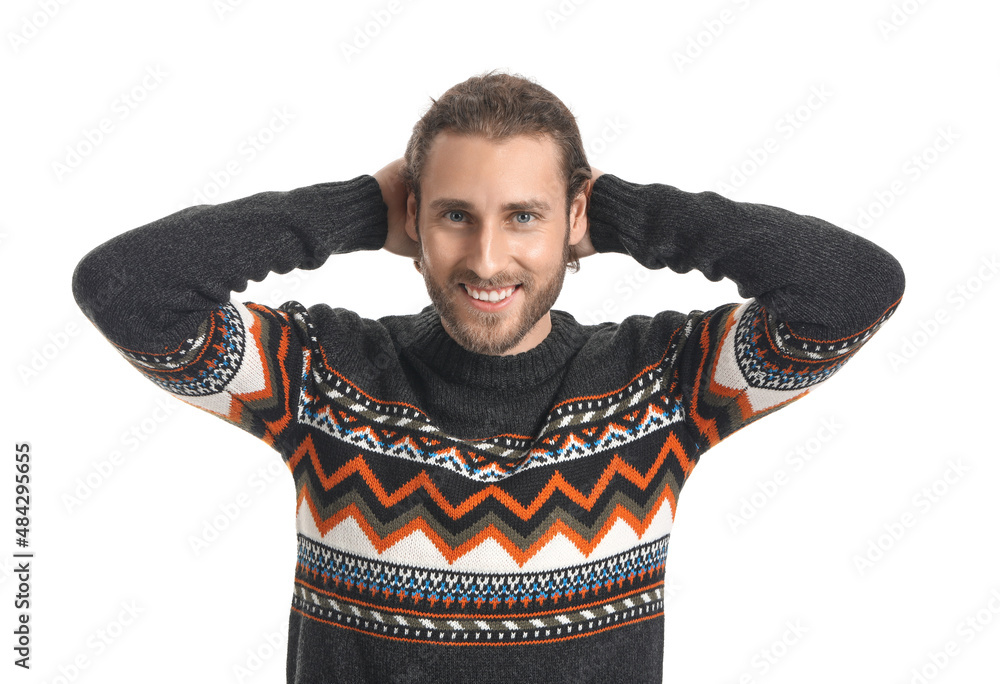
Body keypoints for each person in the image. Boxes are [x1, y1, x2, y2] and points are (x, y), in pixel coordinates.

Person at [72, 70, 905, 684]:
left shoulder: (664, 387)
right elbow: (126, 288)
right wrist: (359, 205)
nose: (487, 259)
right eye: (454, 214)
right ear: (414, 221)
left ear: (573, 219)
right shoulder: (324, 381)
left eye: (525, 215)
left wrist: (621, 214)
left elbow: (852, 290)